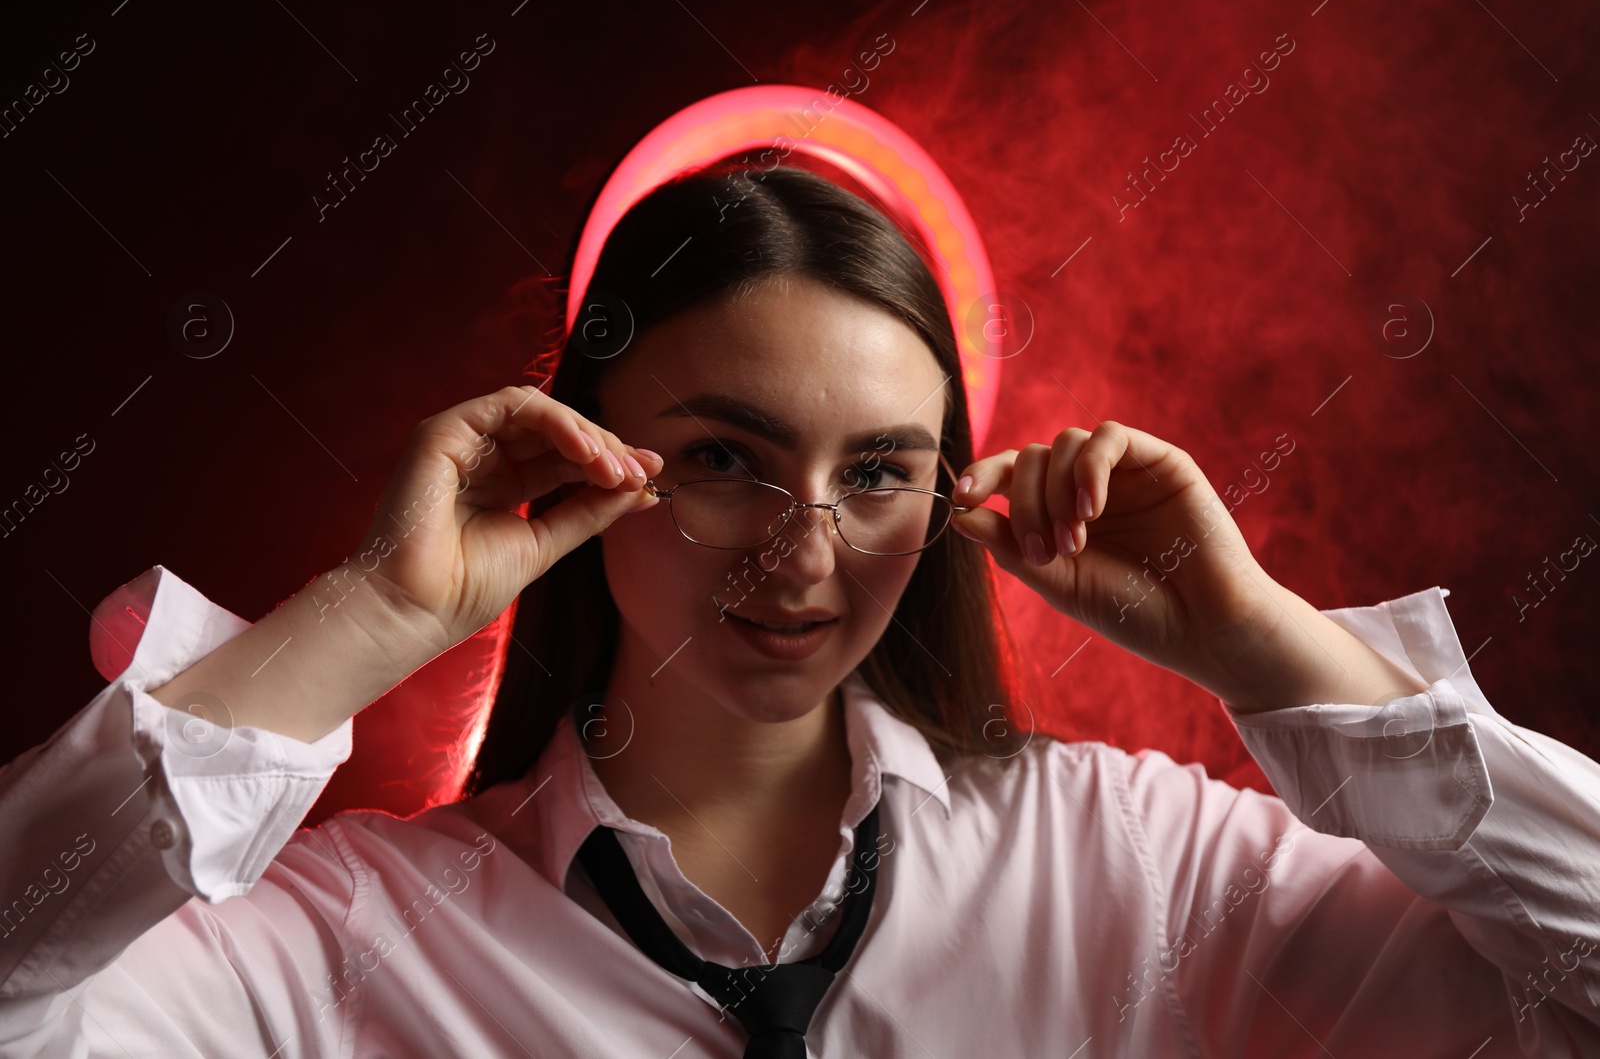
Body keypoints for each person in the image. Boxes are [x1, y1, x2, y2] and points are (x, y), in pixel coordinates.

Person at [0, 165, 1596, 1058]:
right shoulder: (343, 948)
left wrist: (1267, 643)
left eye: (881, 472)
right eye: (723, 461)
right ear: (581, 460)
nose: (804, 553)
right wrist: (367, 610)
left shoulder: (1135, 871)